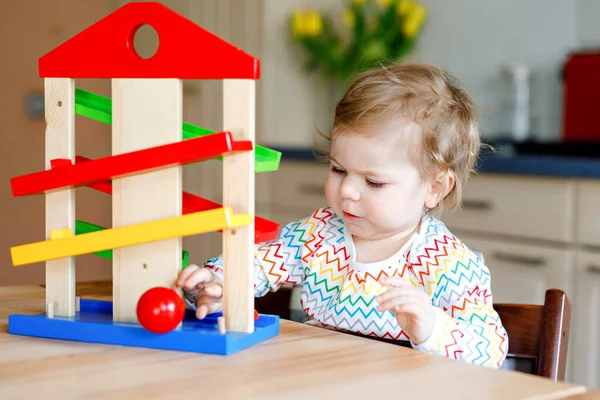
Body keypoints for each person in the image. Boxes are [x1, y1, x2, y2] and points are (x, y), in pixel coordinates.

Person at [175, 62, 509, 368]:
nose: (347, 190)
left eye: (373, 181)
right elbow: (257, 265)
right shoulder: (318, 234)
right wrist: (218, 282)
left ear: (434, 188)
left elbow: (491, 349)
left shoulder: (449, 263)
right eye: (338, 169)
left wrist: (432, 326)